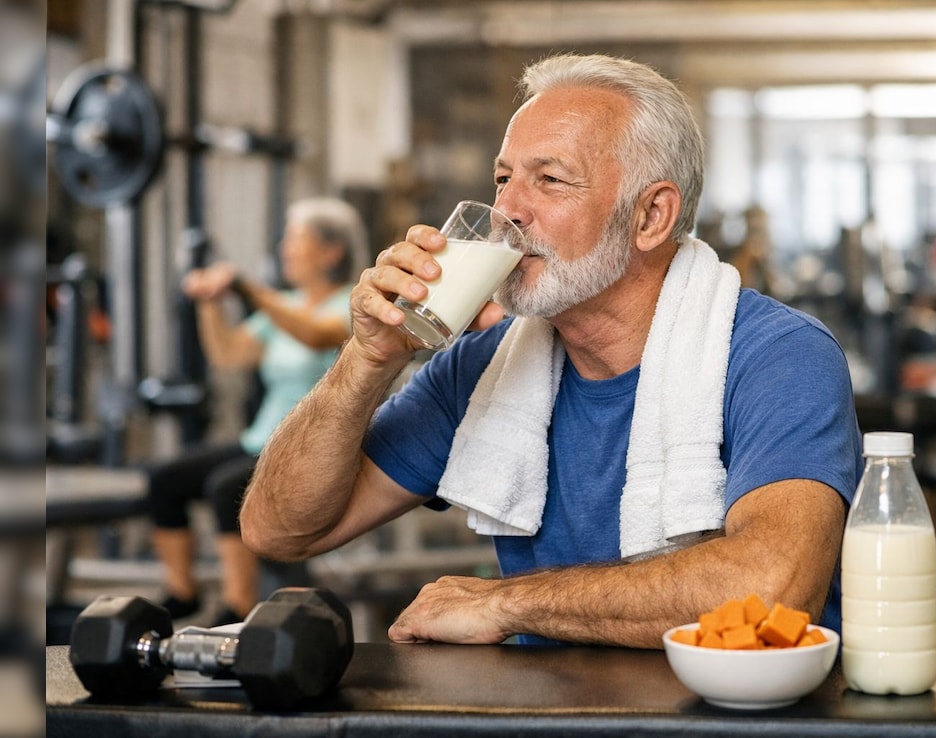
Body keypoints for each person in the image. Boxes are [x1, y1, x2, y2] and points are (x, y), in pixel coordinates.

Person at [240, 54, 862, 648]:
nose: (507, 210)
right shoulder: (484, 365)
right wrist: (367, 359)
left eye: (550, 180)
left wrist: (505, 602)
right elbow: (279, 530)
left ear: (651, 216)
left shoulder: (777, 357)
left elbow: (774, 588)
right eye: (504, 178)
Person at [148, 197, 367, 626]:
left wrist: (248, 289)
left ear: (331, 250)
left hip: (308, 445)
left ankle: (238, 602)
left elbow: (316, 336)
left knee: (227, 486)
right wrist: (211, 299)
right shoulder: (283, 305)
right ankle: (182, 591)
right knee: (165, 479)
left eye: (295, 239)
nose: (285, 248)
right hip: (260, 439)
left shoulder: (351, 302)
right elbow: (228, 354)